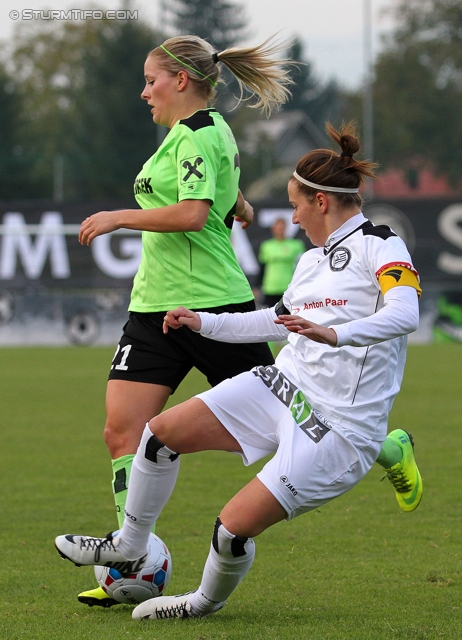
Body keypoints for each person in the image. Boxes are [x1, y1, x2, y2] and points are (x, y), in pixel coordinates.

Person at [56, 122, 423, 619]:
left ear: (320, 202)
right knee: (158, 435)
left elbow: (405, 313)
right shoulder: (311, 260)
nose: (292, 218)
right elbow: (274, 320)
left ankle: (201, 603)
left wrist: (335, 333)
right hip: (282, 387)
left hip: (338, 427)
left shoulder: (381, 244)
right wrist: (202, 323)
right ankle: (128, 544)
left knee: (231, 528)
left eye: (295, 205)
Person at [75, 34, 295, 608]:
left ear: (179, 80)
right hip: (152, 309)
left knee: (293, 423)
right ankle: (134, 556)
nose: (143, 91)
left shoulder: (200, 131)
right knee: (121, 430)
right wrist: (241, 202)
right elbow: (214, 191)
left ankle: (383, 446)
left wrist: (120, 217)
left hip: (209, 309)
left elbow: (194, 213)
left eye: (151, 80)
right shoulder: (186, 136)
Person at [258, 217, 305, 308]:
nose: (280, 230)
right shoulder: (266, 246)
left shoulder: (296, 245)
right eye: (278, 227)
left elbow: (302, 267)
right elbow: (262, 267)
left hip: (289, 287)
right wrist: (257, 286)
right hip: (270, 287)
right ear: (273, 228)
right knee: (271, 318)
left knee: (289, 317)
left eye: (282, 227)